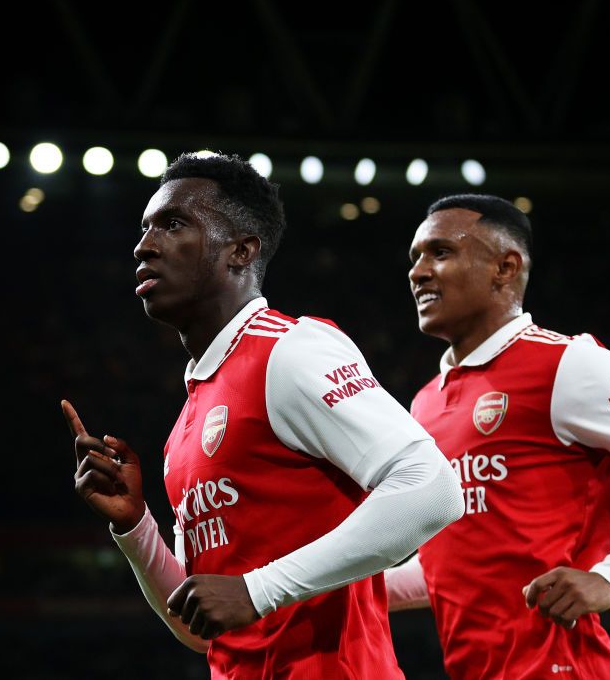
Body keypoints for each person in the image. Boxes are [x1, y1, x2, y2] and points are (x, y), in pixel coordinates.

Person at [63, 152, 463, 679]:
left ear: (241, 250)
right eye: (144, 228)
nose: (144, 245)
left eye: (173, 223)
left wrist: (258, 589)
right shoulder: (183, 430)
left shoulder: (290, 351)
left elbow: (434, 488)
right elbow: (202, 624)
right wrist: (135, 527)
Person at [384, 194, 610, 679]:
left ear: (505, 267)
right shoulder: (426, 401)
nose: (418, 272)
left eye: (440, 252)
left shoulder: (569, 365)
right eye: (415, 257)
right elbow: (451, 566)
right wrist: (332, 586)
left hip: (563, 667)